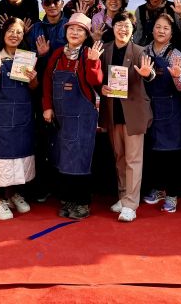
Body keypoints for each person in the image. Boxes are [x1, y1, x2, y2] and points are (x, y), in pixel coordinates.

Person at [42, 13, 104, 219]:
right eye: (71, 29)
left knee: (80, 160)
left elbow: (95, 81)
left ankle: (82, 203)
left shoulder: (88, 54)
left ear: (86, 35)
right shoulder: (58, 54)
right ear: (66, 31)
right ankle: (68, 200)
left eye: (80, 30)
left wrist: (94, 63)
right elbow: (47, 82)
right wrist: (47, 107)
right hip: (60, 117)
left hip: (82, 117)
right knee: (62, 158)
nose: (74, 33)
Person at [98, 11, 156, 222]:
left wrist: (147, 74)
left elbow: (150, 73)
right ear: (113, 28)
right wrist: (100, 88)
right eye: (119, 25)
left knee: (133, 159)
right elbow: (97, 77)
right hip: (113, 113)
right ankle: (123, 198)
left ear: (133, 30)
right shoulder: (104, 50)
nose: (123, 29)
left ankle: (131, 204)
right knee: (119, 158)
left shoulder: (140, 52)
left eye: (127, 26)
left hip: (133, 113)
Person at [0, 18, 38, 220]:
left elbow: (34, 89)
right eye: (10, 31)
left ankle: (13, 195)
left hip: (22, 116)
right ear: (3, 33)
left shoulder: (27, 57)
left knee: (17, 157)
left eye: (19, 32)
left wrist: (33, 79)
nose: (14, 35)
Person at [141, 13, 181, 214]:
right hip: (149, 109)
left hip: (171, 113)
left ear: (171, 34)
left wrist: (178, 77)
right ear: (152, 30)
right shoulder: (143, 51)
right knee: (152, 153)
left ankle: (172, 195)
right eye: (158, 27)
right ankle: (158, 190)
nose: (161, 31)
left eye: (166, 28)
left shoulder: (176, 55)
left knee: (171, 156)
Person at [26, 0, 68, 203]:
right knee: (41, 140)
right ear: (42, 6)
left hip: (66, 92)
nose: (52, 6)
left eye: (55, 2)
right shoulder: (34, 30)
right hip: (39, 90)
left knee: (63, 139)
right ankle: (43, 185)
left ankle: (63, 186)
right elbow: (24, 61)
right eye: (47, 2)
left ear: (62, 3)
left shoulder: (71, 25)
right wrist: (39, 55)